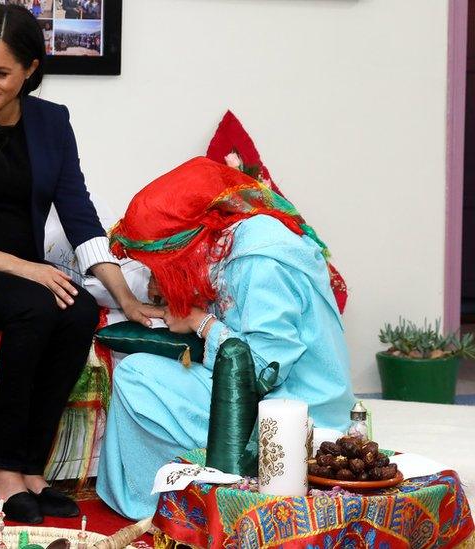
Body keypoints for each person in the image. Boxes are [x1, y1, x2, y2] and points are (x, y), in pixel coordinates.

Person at [0, 4, 156, 525]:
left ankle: (31, 467)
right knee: (37, 307)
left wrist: (125, 299)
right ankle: (1, 467)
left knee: (76, 313)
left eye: (0, 73)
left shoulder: (52, 122)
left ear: (31, 69)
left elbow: (78, 212)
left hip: (22, 273)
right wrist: (23, 268)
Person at [96, 157, 357, 519]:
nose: (157, 273)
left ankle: (171, 504)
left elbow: (265, 370)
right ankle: (179, 490)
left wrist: (199, 322)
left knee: (137, 376)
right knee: (144, 371)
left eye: (162, 263)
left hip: (297, 411)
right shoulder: (234, 238)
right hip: (265, 393)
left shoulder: (259, 262)